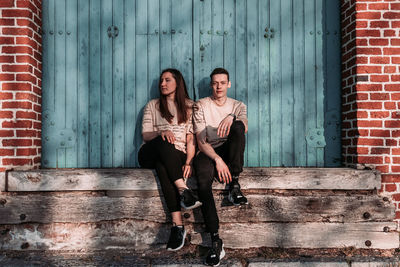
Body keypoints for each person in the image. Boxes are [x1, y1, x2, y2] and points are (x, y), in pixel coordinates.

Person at [138, 68, 202, 251]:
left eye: (167, 80)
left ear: (177, 82)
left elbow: (191, 138)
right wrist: (161, 132)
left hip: (176, 155)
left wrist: (189, 161)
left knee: (163, 165)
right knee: (164, 142)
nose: (162, 84)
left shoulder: (190, 106)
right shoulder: (153, 105)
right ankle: (183, 190)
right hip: (149, 152)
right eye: (161, 81)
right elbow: (145, 135)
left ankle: (177, 226)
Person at [193, 67, 248, 266]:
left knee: (238, 126)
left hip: (229, 150)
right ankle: (215, 240)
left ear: (229, 84)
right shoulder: (201, 106)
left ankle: (234, 185)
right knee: (203, 183)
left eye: (222, 83)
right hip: (207, 151)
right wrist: (217, 160)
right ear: (211, 84)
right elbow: (201, 141)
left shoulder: (238, 105)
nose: (218, 86)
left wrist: (232, 117)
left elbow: (243, 129)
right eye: (215, 83)